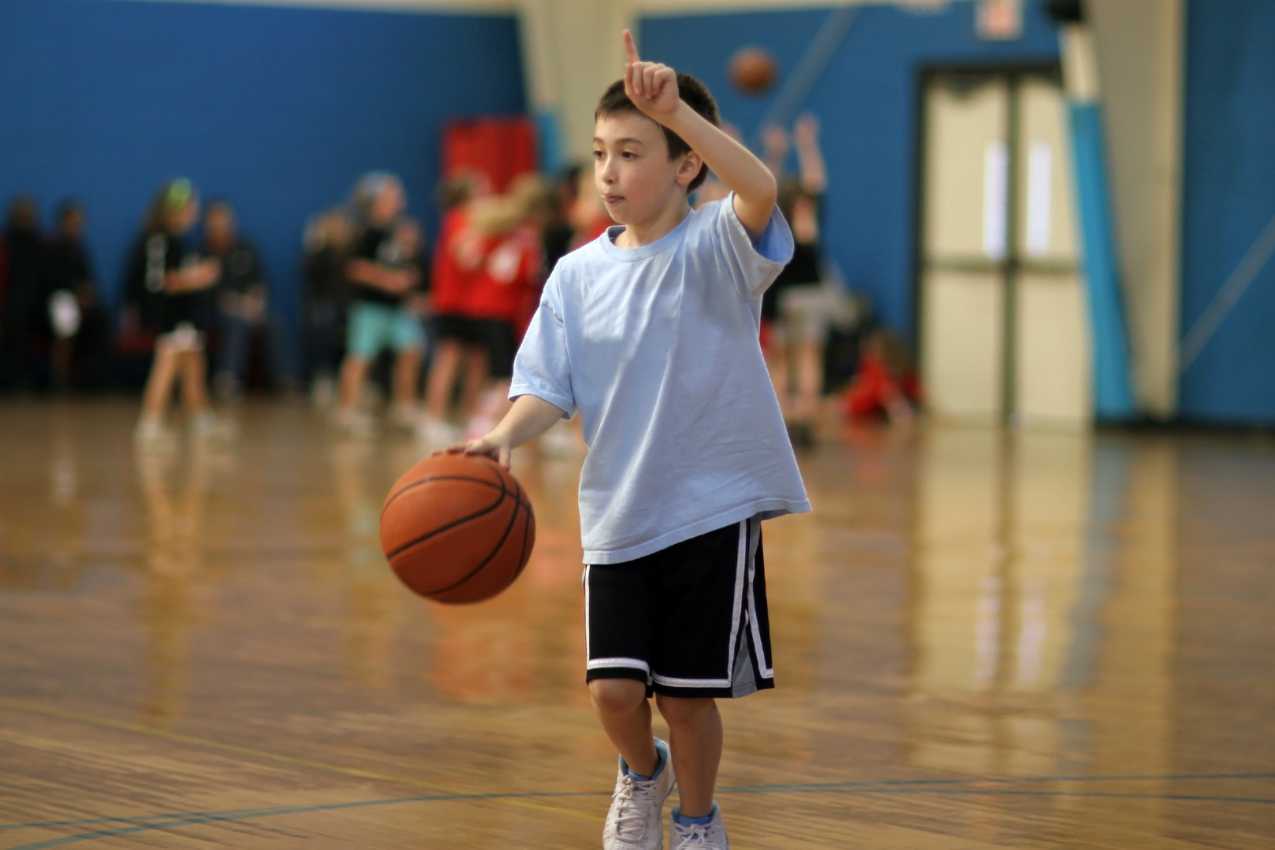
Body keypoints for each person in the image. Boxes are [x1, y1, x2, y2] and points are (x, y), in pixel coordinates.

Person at [450, 31, 809, 850]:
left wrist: (676, 110)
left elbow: (759, 186)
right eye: (599, 154)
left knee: (685, 698)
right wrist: (503, 436)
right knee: (613, 694)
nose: (608, 173)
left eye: (631, 153)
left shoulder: (718, 245)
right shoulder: (576, 274)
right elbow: (546, 385)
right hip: (618, 510)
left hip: (710, 508)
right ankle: (642, 775)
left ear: (685, 165)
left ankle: (697, 821)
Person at [130, 179, 228, 444]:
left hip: (184, 314)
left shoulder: (178, 241)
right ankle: (149, 423)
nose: (194, 211)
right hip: (167, 314)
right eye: (190, 206)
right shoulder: (160, 240)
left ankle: (199, 416)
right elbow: (162, 282)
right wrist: (199, 277)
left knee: (193, 362)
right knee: (167, 363)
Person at [333, 173, 426, 435]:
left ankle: (404, 405)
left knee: (411, 350)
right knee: (360, 357)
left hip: (397, 308)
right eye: (393, 196)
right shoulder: (365, 232)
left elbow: (405, 264)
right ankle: (348, 410)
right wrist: (387, 280)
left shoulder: (399, 231)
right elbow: (355, 268)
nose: (399, 201)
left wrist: (408, 278)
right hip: (370, 307)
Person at [760, 114, 831, 448]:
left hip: (783, 295)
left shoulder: (775, 219)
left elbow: (764, 185)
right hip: (811, 294)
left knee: (782, 359)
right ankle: (804, 419)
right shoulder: (807, 218)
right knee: (807, 358)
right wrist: (806, 144)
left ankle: (783, 422)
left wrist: (776, 151)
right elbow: (815, 182)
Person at [203, 200, 293, 399]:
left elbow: (260, 283)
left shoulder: (246, 247)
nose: (220, 225)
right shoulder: (203, 251)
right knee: (236, 322)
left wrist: (256, 303)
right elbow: (211, 293)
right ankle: (228, 379)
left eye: (224, 220)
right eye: (215, 221)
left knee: (274, 322)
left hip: (251, 307)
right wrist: (236, 305)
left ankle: (283, 378)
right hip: (219, 311)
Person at [41, 200, 111, 391]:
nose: (76, 225)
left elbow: (87, 279)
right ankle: (59, 379)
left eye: (79, 221)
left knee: (100, 317)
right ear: (62, 222)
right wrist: (75, 295)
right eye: (73, 221)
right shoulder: (52, 247)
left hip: (79, 301)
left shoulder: (79, 248)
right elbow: (50, 281)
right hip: (57, 300)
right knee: (65, 317)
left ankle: (91, 378)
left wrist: (87, 295)